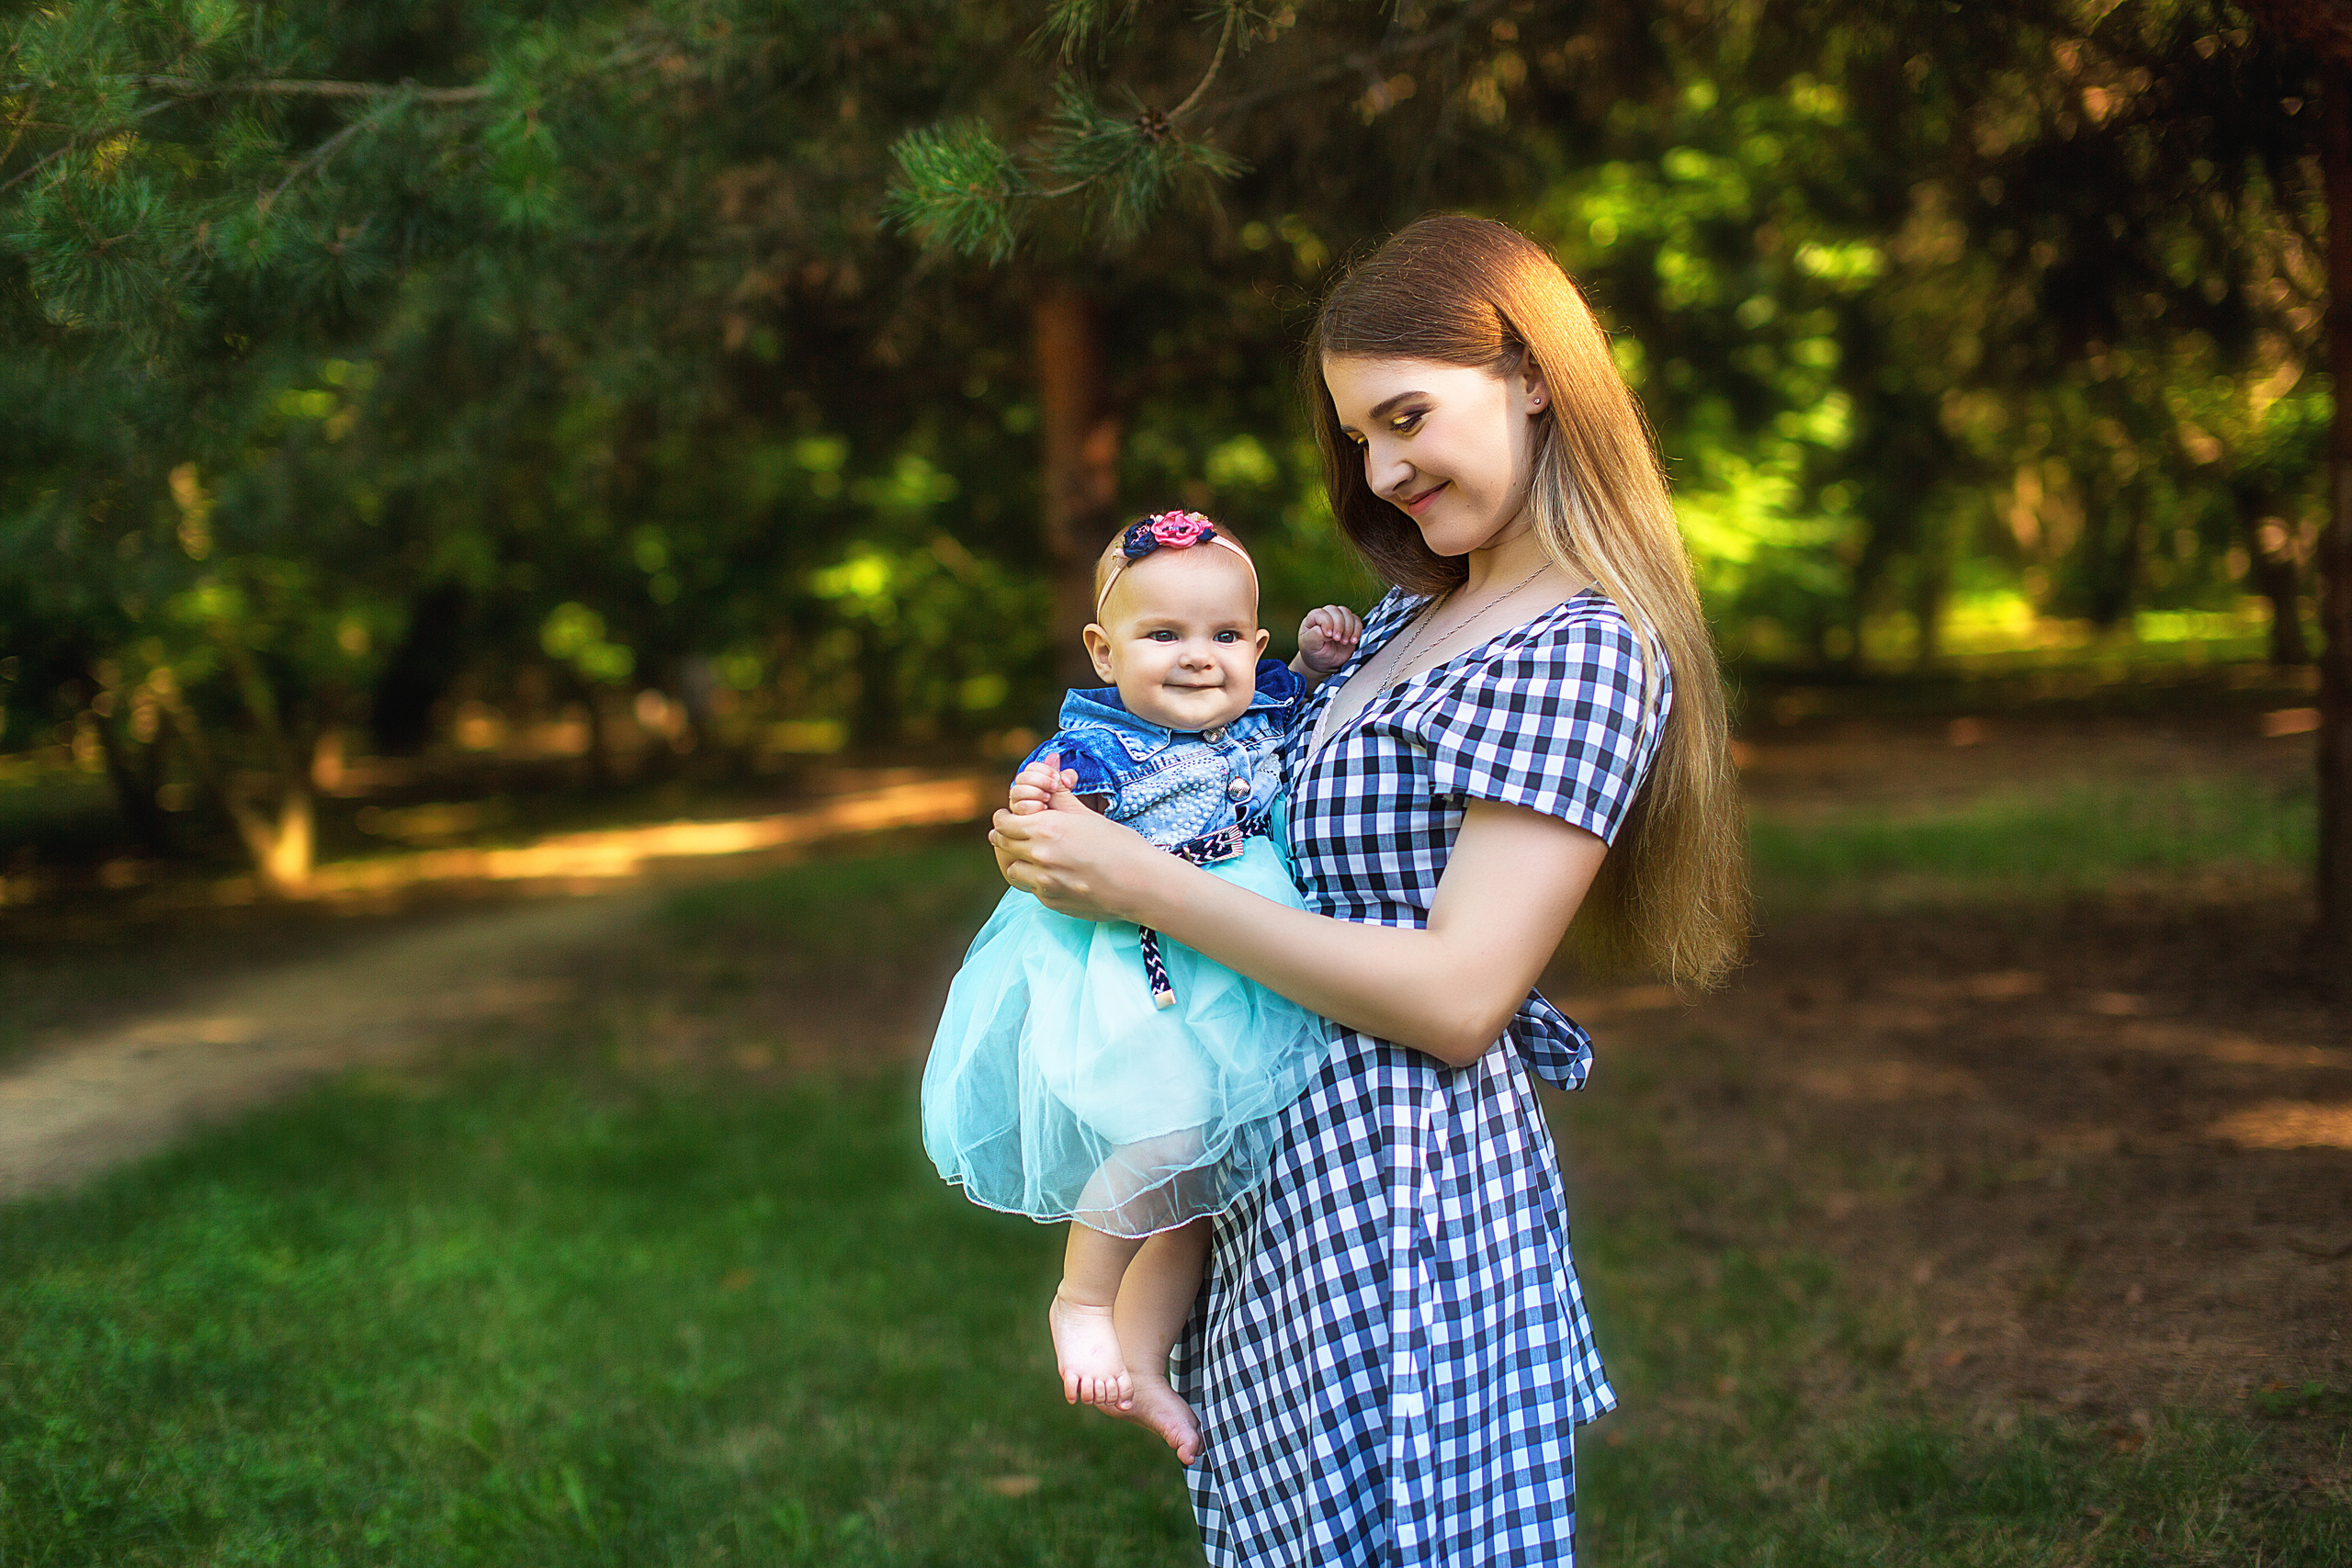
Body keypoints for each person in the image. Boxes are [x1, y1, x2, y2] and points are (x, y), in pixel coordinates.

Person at [988, 215, 1751, 1565]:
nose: (1384, 468)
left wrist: (1142, 883)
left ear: (1529, 374)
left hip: (1406, 1204)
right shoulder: (1410, 614)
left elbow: (1460, 996)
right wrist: (1074, 831)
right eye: (1357, 438)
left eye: (1407, 415)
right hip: (1280, 1178)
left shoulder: (1581, 646)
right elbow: (1246, 812)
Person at [922, 510, 1365, 1457]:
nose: (1197, 658)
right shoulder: (1102, 745)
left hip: (1237, 961)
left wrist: (1321, 659)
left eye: (1222, 637)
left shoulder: (1259, 707)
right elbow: (1046, 798)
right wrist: (1039, 804)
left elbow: (1297, 698)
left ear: (1252, 645)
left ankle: (1141, 1365)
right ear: (1104, 650)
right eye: (1162, 635)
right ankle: (1081, 1299)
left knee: (1193, 1198)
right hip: (1146, 971)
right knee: (1163, 1143)